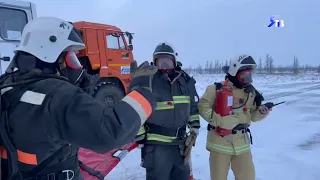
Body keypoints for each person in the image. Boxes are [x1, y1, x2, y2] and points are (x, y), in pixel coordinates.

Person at [0, 16, 158, 180]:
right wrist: (143, 91)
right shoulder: (57, 95)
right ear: (53, 54)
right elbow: (111, 131)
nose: (78, 66)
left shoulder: (9, 86)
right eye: (73, 56)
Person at [198, 55, 271, 180]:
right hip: (220, 144)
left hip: (242, 144)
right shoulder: (215, 89)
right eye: (244, 76)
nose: (248, 79)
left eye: (249, 75)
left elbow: (253, 116)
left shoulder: (251, 93)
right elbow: (202, 107)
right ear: (235, 73)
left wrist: (262, 112)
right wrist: (219, 121)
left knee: (248, 177)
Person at [135, 42, 200, 180]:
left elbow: (193, 107)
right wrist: (140, 136)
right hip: (157, 146)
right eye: (160, 61)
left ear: (175, 61)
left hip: (180, 144)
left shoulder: (184, 82)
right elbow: (136, 109)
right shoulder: (148, 81)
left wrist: (194, 128)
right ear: (154, 62)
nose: (164, 65)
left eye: (168, 61)